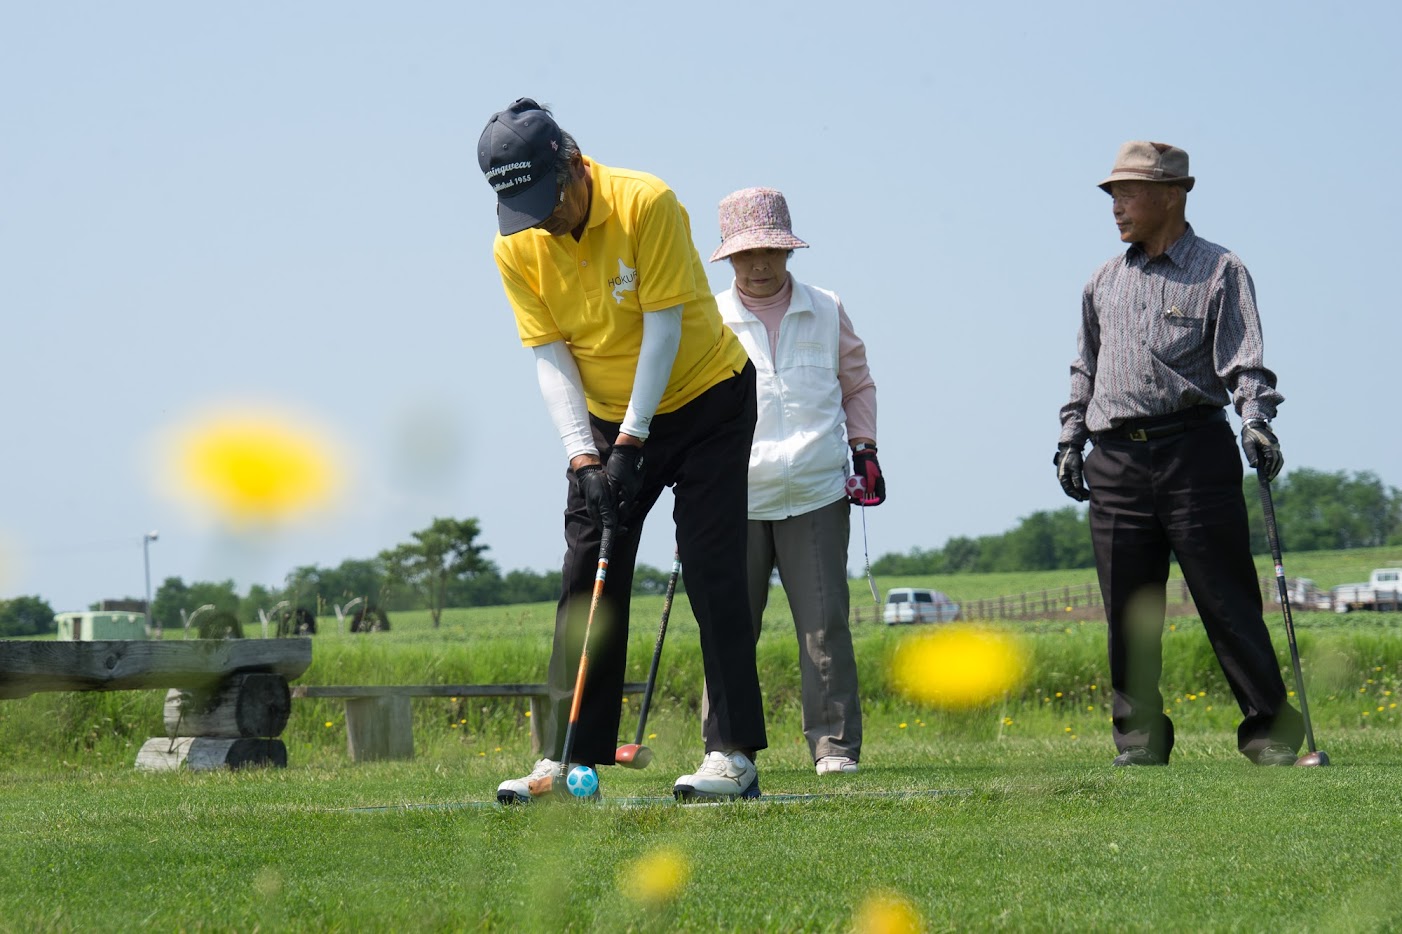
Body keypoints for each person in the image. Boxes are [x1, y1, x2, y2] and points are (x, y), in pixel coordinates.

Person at [478, 98, 768, 802]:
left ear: (573, 164)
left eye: (549, 200)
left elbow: (661, 331)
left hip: (706, 400)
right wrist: (584, 456)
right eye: (525, 209)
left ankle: (732, 754)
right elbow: (549, 353)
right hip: (606, 420)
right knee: (586, 574)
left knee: (710, 566)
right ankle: (564, 757)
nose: (543, 219)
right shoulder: (516, 245)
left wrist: (632, 442)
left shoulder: (647, 203)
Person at [1054, 140, 1305, 767]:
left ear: (1172, 195)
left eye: (1128, 193)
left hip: (1194, 450)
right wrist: (1069, 438)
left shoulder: (1221, 270)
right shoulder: (1103, 281)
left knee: (1226, 598)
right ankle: (1139, 740)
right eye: (1112, 195)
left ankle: (1271, 732)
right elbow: (1083, 367)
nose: (1117, 207)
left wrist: (1255, 420)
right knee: (1127, 612)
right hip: (1113, 461)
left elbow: (1245, 361)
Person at [708, 187, 882, 776]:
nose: (759, 265)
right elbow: (688, 409)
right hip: (735, 497)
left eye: (771, 252)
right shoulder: (707, 318)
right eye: (747, 254)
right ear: (729, 257)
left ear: (788, 251)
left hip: (816, 488)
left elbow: (857, 385)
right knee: (730, 626)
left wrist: (866, 450)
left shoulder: (827, 307)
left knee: (825, 623)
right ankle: (725, 747)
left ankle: (835, 748)